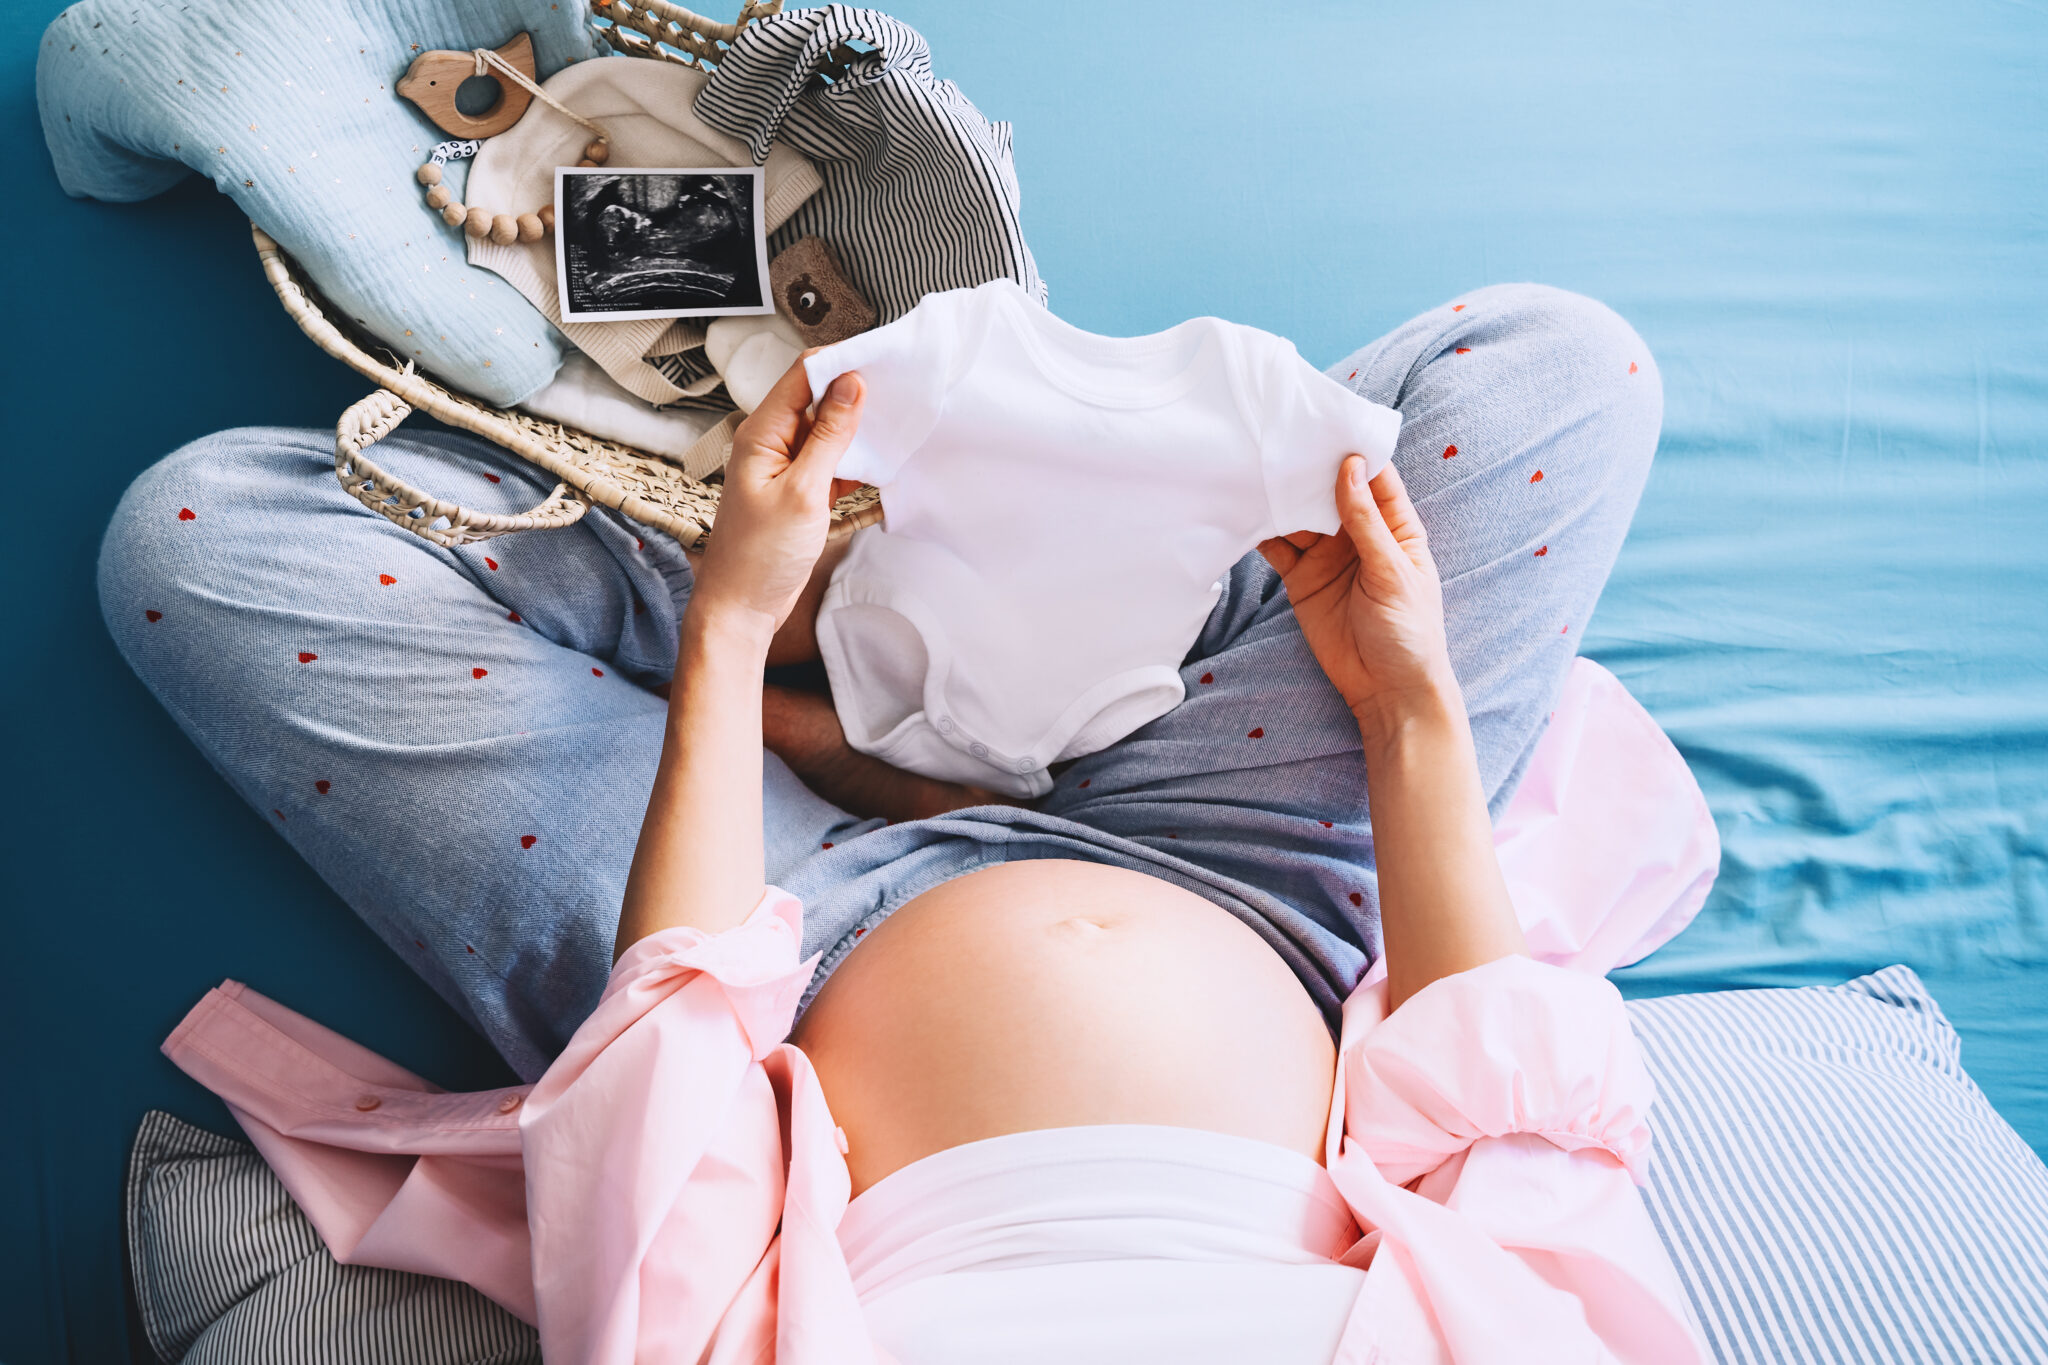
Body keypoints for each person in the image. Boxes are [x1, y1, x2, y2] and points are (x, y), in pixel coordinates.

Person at [111, 284, 1707, 1360]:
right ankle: (1050, 661)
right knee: (1563, 375)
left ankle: (860, 673)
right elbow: (1505, 1142)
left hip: (780, 961)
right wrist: (1404, 702)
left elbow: (670, 1126)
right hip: (1269, 897)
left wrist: (734, 635)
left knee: (194, 542)